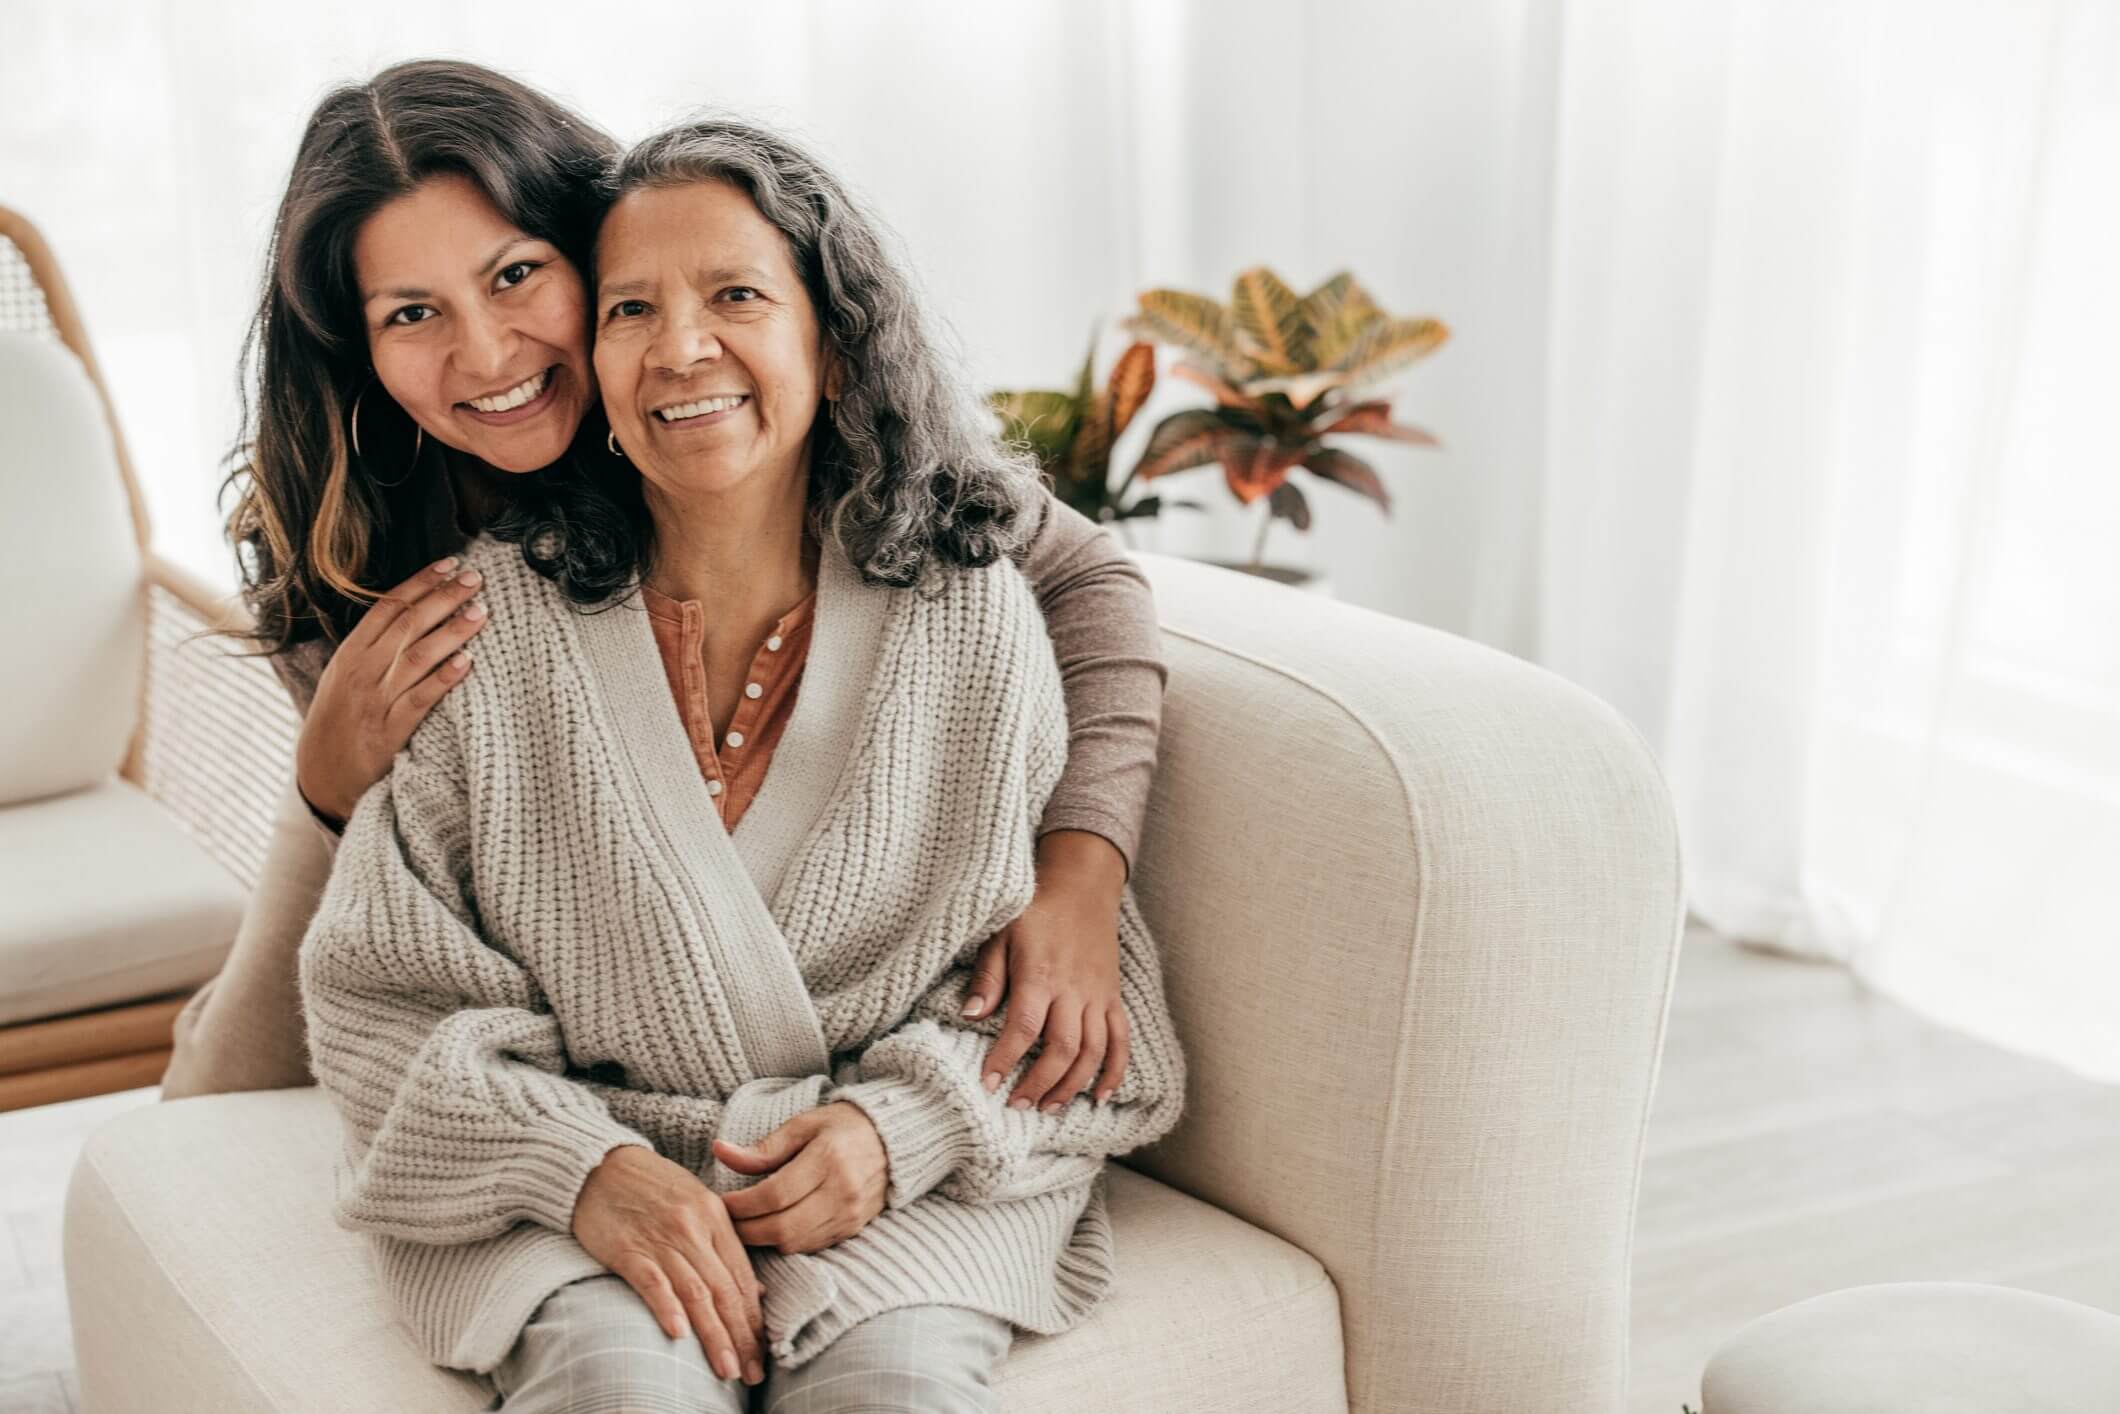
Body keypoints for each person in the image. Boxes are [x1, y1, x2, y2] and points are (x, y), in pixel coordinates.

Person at [296, 116, 1188, 1413]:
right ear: (595, 363)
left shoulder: (970, 613)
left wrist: (904, 1128)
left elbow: (1081, 1029)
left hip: (900, 1182)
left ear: (834, 344)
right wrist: (578, 1168)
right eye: (632, 308)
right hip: (580, 1183)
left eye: (736, 295)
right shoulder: (473, 633)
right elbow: (377, 999)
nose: (681, 346)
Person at [160, 59, 1169, 1121]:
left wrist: (1080, 874)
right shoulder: (351, 531)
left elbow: (1086, 577)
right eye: (412, 313)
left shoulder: (727, 414)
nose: (488, 349)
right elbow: (398, 930)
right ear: (359, 349)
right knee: (211, 1099)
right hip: (358, 820)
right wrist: (325, 785)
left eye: (515, 276)